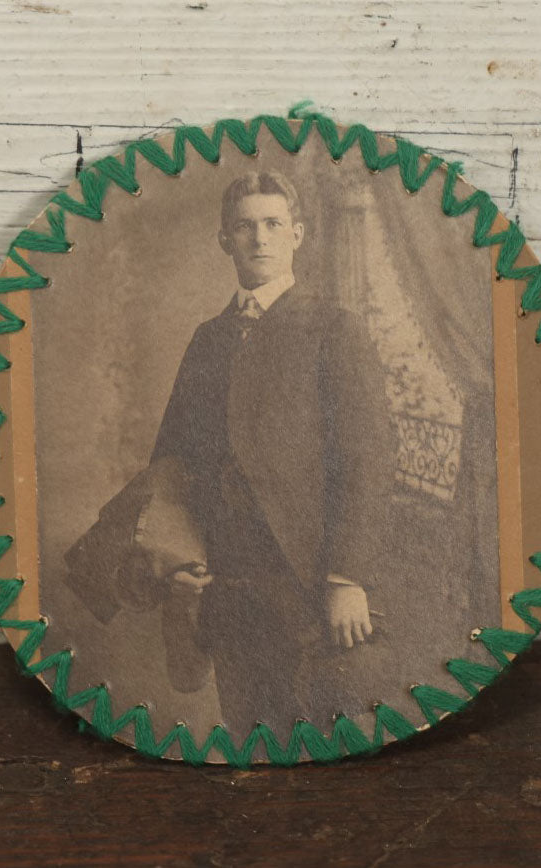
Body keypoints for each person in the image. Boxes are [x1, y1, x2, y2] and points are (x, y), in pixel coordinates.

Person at [150, 170, 398, 737]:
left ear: (298, 234)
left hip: (309, 585)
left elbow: (368, 459)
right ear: (224, 240)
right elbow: (170, 464)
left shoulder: (333, 329)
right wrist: (178, 561)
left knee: (319, 740)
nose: (259, 238)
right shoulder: (207, 340)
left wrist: (347, 578)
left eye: (272, 224)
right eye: (244, 227)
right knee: (249, 736)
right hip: (227, 589)